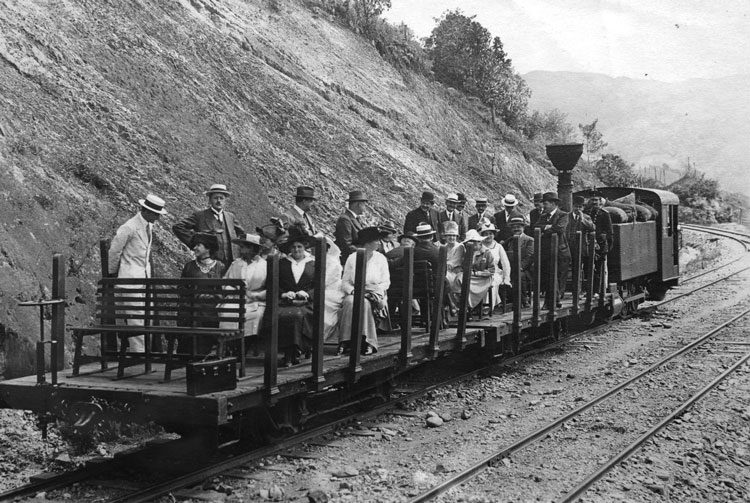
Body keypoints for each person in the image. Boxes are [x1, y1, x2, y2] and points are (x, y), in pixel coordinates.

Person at [108, 194, 167, 352]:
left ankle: (145, 352)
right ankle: (138, 353)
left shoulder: (148, 225)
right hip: (130, 279)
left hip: (144, 278)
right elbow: (114, 251)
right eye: (156, 214)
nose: (158, 218)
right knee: (135, 317)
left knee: (145, 314)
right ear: (147, 211)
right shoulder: (130, 227)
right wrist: (113, 273)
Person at [262, 228, 317, 366]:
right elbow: (273, 284)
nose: (296, 249)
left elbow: (318, 286)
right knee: (284, 315)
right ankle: (288, 353)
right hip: (285, 301)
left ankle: (294, 352)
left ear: (305, 248)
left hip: (307, 303)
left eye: (299, 246)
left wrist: (307, 294)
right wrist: (283, 293)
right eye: (293, 247)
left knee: (299, 315)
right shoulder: (282, 263)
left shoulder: (313, 264)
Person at [338, 227, 391, 356]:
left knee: (365, 303)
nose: (379, 243)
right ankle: (345, 341)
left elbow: (386, 282)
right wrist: (352, 291)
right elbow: (345, 282)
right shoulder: (352, 258)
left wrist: (375, 291)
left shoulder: (381, 259)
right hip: (356, 291)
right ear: (367, 243)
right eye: (376, 240)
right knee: (350, 302)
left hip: (374, 293)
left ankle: (368, 341)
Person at [173, 183, 245, 269]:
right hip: (209, 263)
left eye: (221, 198)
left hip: (231, 263)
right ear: (210, 200)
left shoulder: (230, 217)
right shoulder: (200, 216)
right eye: (215, 198)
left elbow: (242, 235)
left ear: (225, 200)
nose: (219, 201)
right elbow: (178, 227)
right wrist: (196, 242)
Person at [178, 232, 226, 355]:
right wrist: (195, 296)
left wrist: (212, 297)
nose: (194, 248)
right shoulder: (189, 266)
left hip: (211, 309)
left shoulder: (220, 267)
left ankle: (202, 353)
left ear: (208, 248)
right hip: (192, 308)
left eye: (198, 245)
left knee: (206, 311)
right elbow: (182, 289)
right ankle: (189, 354)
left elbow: (224, 291)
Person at [219, 234, 267, 339]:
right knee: (227, 312)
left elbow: (269, 288)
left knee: (256, 316)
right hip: (236, 300)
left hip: (256, 302)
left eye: (243, 246)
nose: (240, 249)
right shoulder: (236, 264)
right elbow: (225, 283)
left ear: (252, 248)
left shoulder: (264, 265)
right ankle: (229, 343)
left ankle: (247, 344)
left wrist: (256, 295)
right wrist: (234, 291)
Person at [533, 192, 571, 308]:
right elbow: (535, 227)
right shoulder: (543, 216)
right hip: (547, 251)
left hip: (560, 251)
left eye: (545, 203)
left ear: (553, 204)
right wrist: (547, 227)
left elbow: (560, 229)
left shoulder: (563, 215)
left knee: (558, 277)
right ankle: (552, 302)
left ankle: (553, 300)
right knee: (549, 276)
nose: (544, 206)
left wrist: (545, 230)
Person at [446, 229, 494, 312]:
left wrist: (477, 273)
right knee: (458, 278)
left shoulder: (486, 252)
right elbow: (464, 266)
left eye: (476, 241)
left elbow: (491, 271)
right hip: (470, 277)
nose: (474, 244)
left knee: (460, 278)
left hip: (483, 278)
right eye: (471, 242)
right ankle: (463, 305)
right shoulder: (468, 253)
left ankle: (464, 305)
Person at [585, 193, 613, 295]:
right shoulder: (586, 213)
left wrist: (605, 243)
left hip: (600, 246)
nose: (594, 202)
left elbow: (609, 232)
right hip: (587, 245)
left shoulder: (604, 214)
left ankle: (597, 290)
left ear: (600, 201)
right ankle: (588, 290)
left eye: (596, 200)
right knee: (587, 268)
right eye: (592, 200)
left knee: (598, 269)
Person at [479, 220, 511, 310]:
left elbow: (505, 264)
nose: (488, 236)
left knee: (491, 281)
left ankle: (488, 307)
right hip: (480, 272)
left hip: (495, 273)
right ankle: (475, 306)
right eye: (486, 234)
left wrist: (506, 278)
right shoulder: (479, 246)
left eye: (491, 233)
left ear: (494, 235)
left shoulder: (498, 246)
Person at [568, 195, 596, 293]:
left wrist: (582, 219)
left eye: (580, 207)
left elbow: (592, 228)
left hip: (581, 247)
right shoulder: (567, 217)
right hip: (569, 247)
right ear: (572, 206)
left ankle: (578, 290)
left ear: (583, 208)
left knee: (579, 269)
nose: (578, 209)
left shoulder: (586, 217)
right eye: (576, 206)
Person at [506, 214, 535, 307]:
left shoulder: (529, 240)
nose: (516, 229)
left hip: (526, 269)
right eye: (513, 227)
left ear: (523, 228)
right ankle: (509, 299)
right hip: (511, 268)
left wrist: (521, 267)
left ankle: (523, 300)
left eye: (518, 227)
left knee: (519, 275)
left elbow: (530, 257)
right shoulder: (509, 241)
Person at [335, 190, 368, 265]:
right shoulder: (345, 219)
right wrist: (363, 254)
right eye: (364, 205)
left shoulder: (355, 219)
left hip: (356, 259)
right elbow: (346, 245)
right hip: (350, 261)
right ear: (359, 204)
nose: (365, 207)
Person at [323, 237, 344, 343]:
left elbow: (326, 280)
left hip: (332, 290)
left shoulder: (331, 261)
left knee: (323, 300)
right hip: (321, 289)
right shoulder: (312, 259)